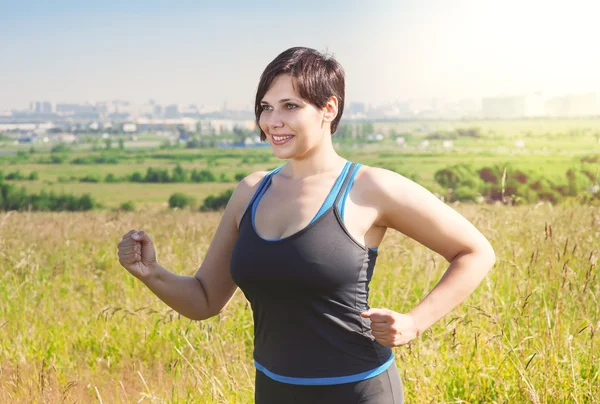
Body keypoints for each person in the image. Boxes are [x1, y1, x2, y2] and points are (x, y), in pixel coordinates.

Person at [117, 47, 496, 403]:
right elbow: (204, 300)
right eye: (265, 107)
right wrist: (150, 273)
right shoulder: (250, 192)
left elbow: (475, 252)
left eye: (290, 106)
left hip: (359, 391)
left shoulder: (370, 188)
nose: (272, 121)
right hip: (273, 391)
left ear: (328, 108)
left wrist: (415, 322)